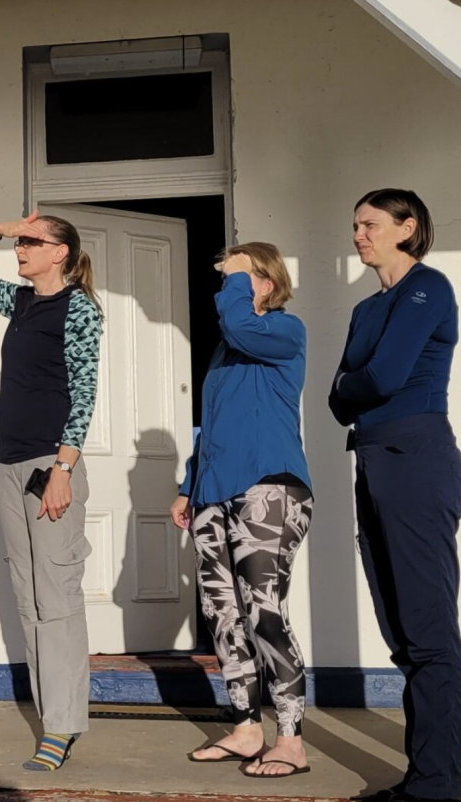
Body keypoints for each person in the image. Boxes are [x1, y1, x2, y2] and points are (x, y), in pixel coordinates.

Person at [0, 211, 102, 771]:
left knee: (56, 594)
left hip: (49, 465)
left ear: (60, 253)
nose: (21, 249)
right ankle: (51, 714)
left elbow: (84, 392)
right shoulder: (19, 302)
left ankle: (62, 725)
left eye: (32, 242)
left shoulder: (79, 309)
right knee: (27, 594)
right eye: (21, 242)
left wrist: (63, 468)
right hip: (7, 465)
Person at [329, 189, 461, 802]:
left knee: (428, 629)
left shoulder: (427, 287)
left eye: (370, 224)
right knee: (400, 631)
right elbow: (337, 400)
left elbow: (379, 376)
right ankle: (423, 779)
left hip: (416, 458)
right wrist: (358, 384)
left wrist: (357, 382)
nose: (358, 234)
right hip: (372, 458)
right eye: (355, 225)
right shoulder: (367, 309)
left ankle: (437, 786)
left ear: (407, 228)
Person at [169, 242, 314, 779]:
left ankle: (291, 740)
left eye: (239, 276)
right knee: (223, 616)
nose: (227, 284)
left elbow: (240, 325)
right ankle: (247, 728)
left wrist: (234, 278)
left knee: (262, 612)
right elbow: (213, 425)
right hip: (213, 494)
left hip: (269, 488)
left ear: (267, 284)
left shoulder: (284, 330)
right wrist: (188, 487)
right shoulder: (225, 350)